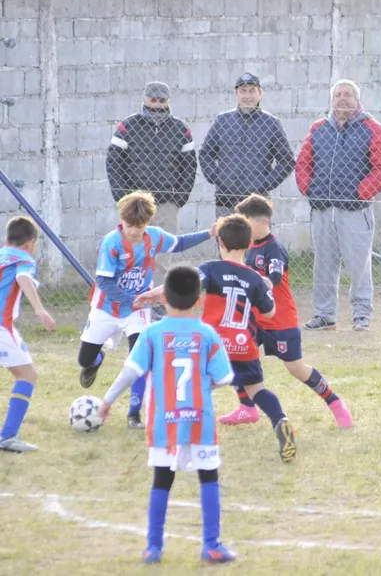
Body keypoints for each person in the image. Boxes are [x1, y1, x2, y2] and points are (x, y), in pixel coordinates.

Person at [97, 266, 237, 564]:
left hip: (164, 423)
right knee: (208, 478)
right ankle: (212, 544)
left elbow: (130, 372)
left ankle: (153, 547)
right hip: (200, 420)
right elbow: (225, 378)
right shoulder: (207, 334)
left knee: (162, 480)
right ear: (199, 301)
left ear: (165, 300)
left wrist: (107, 400)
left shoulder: (152, 333)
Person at [139, 215, 299, 462]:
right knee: (257, 391)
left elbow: (186, 283)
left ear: (220, 243)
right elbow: (269, 312)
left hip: (214, 346)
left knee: (195, 388)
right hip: (245, 346)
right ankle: (280, 420)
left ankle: (182, 438)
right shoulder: (254, 278)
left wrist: (154, 293)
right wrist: (263, 292)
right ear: (248, 245)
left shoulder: (211, 269)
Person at [76, 191, 216, 429]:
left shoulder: (155, 237)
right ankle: (96, 360)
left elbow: (179, 243)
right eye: (129, 225)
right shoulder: (111, 243)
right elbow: (104, 282)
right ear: (122, 220)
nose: (133, 230)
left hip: (138, 310)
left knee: (139, 359)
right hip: (107, 308)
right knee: (84, 359)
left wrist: (209, 234)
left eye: (139, 226)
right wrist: (130, 300)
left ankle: (134, 414)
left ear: (148, 222)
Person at [215, 194, 353, 428]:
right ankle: (246, 408)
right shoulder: (248, 247)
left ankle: (335, 403)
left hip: (280, 320)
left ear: (262, 223)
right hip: (254, 320)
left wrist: (257, 281)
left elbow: (275, 278)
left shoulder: (274, 248)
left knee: (296, 369)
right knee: (235, 357)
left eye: (246, 224)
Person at [296, 79, 381, 332]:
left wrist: (360, 193)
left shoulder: (372, 128)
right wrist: (310, 189)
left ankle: (362, 315)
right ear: (332, 99)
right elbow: (303, 165)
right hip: (324, 210)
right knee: (324, 265)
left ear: (357, 99)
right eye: (338, 94)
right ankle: (325, 316)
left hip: (355, 211)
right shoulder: (318, 129)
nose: (342, 98)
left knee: (359, 266)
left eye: (348, 95)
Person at [105, 81, 197, 252]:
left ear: (168, 101)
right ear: (145, 99)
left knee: (163, 253)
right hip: (135, 204)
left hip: (166, 203)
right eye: (153, 100)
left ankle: (160, 281)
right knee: (132, 252)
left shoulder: (181, 129)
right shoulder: (127, 126)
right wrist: (122, 197)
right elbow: (113, 162)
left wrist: (179, 199)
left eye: (162, 100)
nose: (157, 104)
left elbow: (189, 166)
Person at [199, 73, 295, 217]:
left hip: (257, 202)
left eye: (252, 91)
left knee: (258, 239)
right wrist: (218, 178)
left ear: (260, 93)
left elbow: (287, 160)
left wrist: (264, 184)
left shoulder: (271, 123)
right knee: (226, 239)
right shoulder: (222, 121)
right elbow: (205, 153)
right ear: (236, 94)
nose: (247, 96)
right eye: (243, 91)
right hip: (226, 199)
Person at [0, 217, 55, 453]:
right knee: (27, 376)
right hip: (2, 326)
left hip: (6, 325)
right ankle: (8, 436)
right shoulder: (24, 259)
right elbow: (23, 278)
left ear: (6, 239)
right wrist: (39, 309)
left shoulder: (2, 254)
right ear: (31, 242)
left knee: (25, 373)